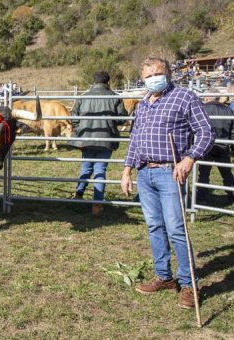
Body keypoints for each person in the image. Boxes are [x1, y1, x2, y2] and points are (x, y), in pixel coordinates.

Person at [121, 57, 215, 310]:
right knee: (154, 226)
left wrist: (189, 158)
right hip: (145, 172)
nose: (153, 78)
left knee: (176, 228)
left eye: (158, 73)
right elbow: (135, 138)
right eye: (148, 75)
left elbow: (206, 131)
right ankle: (164, 277)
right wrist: (127, 170)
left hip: (169, 171)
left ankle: (188, 284)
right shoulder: (142, 103)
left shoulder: (185, 97)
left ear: (168, 74)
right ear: (143, 78)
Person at [69, 71, 128, 216]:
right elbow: (122, 119)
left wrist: (81, 129)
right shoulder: (115, 97)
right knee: (100, 170)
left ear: (94, 82)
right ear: (108, 82)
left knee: (86, 167)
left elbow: (73, 117)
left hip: (86, 138)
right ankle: (97, 204)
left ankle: (78, 195)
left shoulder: (83, 97)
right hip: (106, 139)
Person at [196, 101, 234, 204]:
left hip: (206, 145)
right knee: (226, 173)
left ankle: (201, 196)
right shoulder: (228, 110)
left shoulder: (202, 109)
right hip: (223, 145)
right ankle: (231, 195)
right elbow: (232, 131)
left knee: (204, 172)